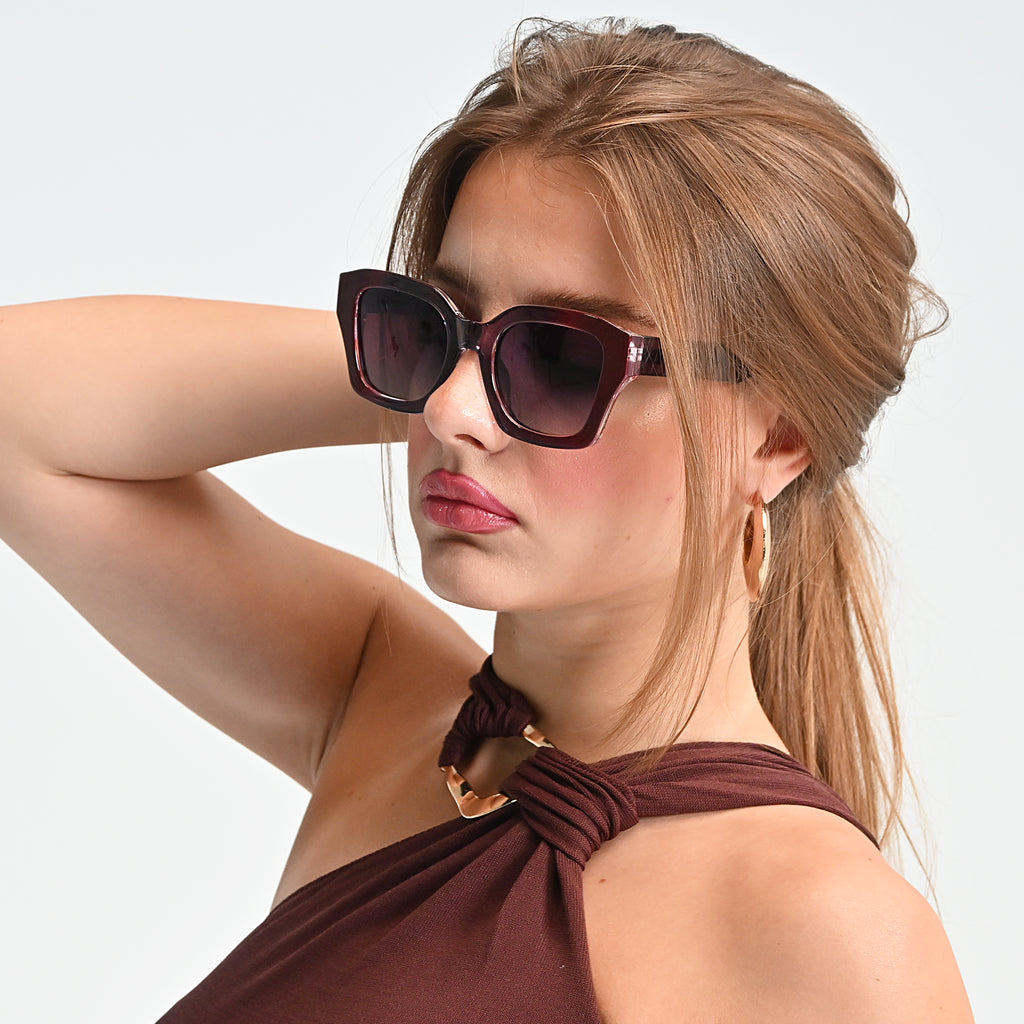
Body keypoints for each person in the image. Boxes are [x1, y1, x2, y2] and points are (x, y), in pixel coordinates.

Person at [0, 18, 973, 1023]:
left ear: (777, 437)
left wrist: (472, 360)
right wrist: (437, 369)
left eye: (560, 356)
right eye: (432, 324)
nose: (450, 415)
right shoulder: (385, 706)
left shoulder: (823, 933)